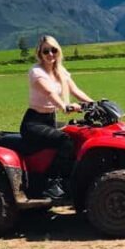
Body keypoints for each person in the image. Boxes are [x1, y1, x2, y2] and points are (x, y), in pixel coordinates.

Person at [21, 35, 93, 199]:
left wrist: (95, 104)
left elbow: (76, 91)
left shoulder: (61, 72)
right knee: (65, 141)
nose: (50, 54)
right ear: (39, 54)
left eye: (53, 50)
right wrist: (64, 106)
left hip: (50, 120)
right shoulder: (36, 72)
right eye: (46, 51)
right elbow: (49, 92)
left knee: (78, 135)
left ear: (58, 51)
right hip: (34, 123)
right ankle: (51, 183)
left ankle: (71, 179)